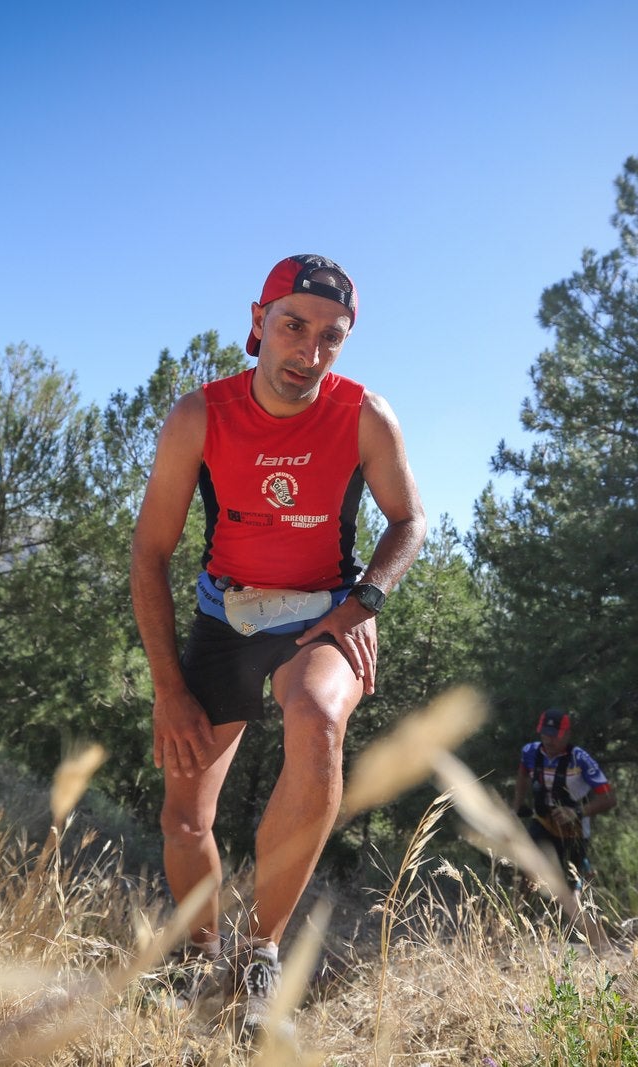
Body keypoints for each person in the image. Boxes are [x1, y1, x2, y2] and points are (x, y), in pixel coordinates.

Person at [130, 254, 426, 1035]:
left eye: (333, 336)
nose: (310, 351)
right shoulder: (200, 414)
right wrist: (169, 686)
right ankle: (200, 964)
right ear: (257, 322)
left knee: (318, 721)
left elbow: (409, 520)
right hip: (225, 616)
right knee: (185, 818)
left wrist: (367, 600)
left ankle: (257, 957)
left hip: (323, 616)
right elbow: (148, 553)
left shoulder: (366, 416)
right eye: (293, 326)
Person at [512, 708, 616, 894]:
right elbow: (522, 775)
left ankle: (575, 911)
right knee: (526, 871)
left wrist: (576, 812)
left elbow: (609, 799)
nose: (549, 740)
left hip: (574, 831)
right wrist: (516, 807)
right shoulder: (530, 752)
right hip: (542, 821)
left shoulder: (580, 759)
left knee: (569, 886)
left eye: (555, 735)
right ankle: (516, 917)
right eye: (545, 734)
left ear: (567, 734)